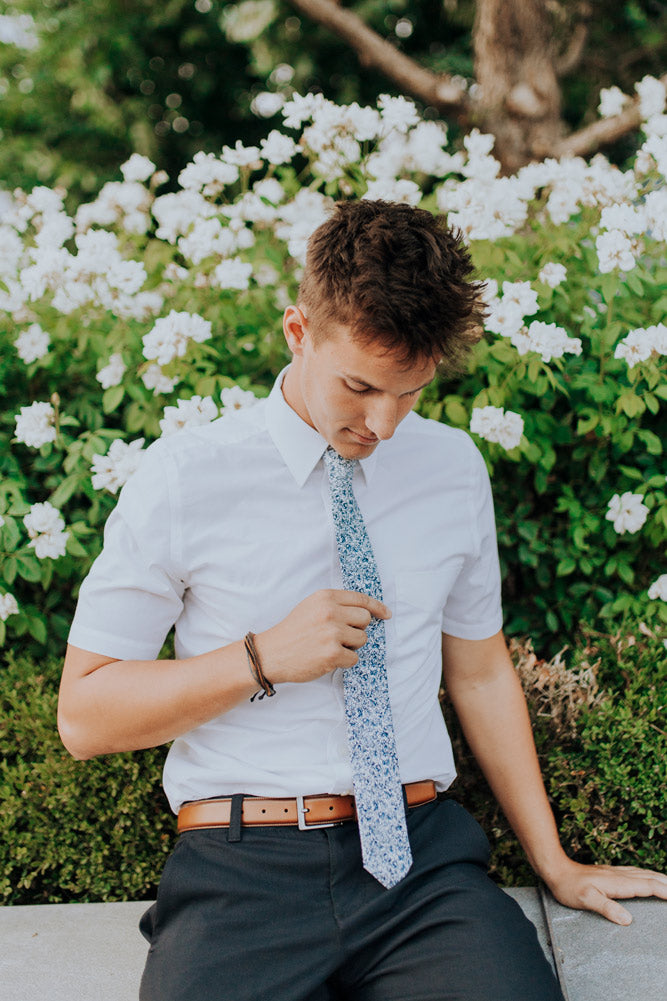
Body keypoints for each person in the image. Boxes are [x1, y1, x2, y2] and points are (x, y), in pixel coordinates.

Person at [59, 200, 666, 1001]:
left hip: (421, 864)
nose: (382, 422)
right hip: (241, 871)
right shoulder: (183, 477)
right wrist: (260, 658)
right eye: (360, 386)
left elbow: (479, 673)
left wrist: (552, 860)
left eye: (410, 392)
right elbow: (84, 715)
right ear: (297, 331)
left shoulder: (452, 468)